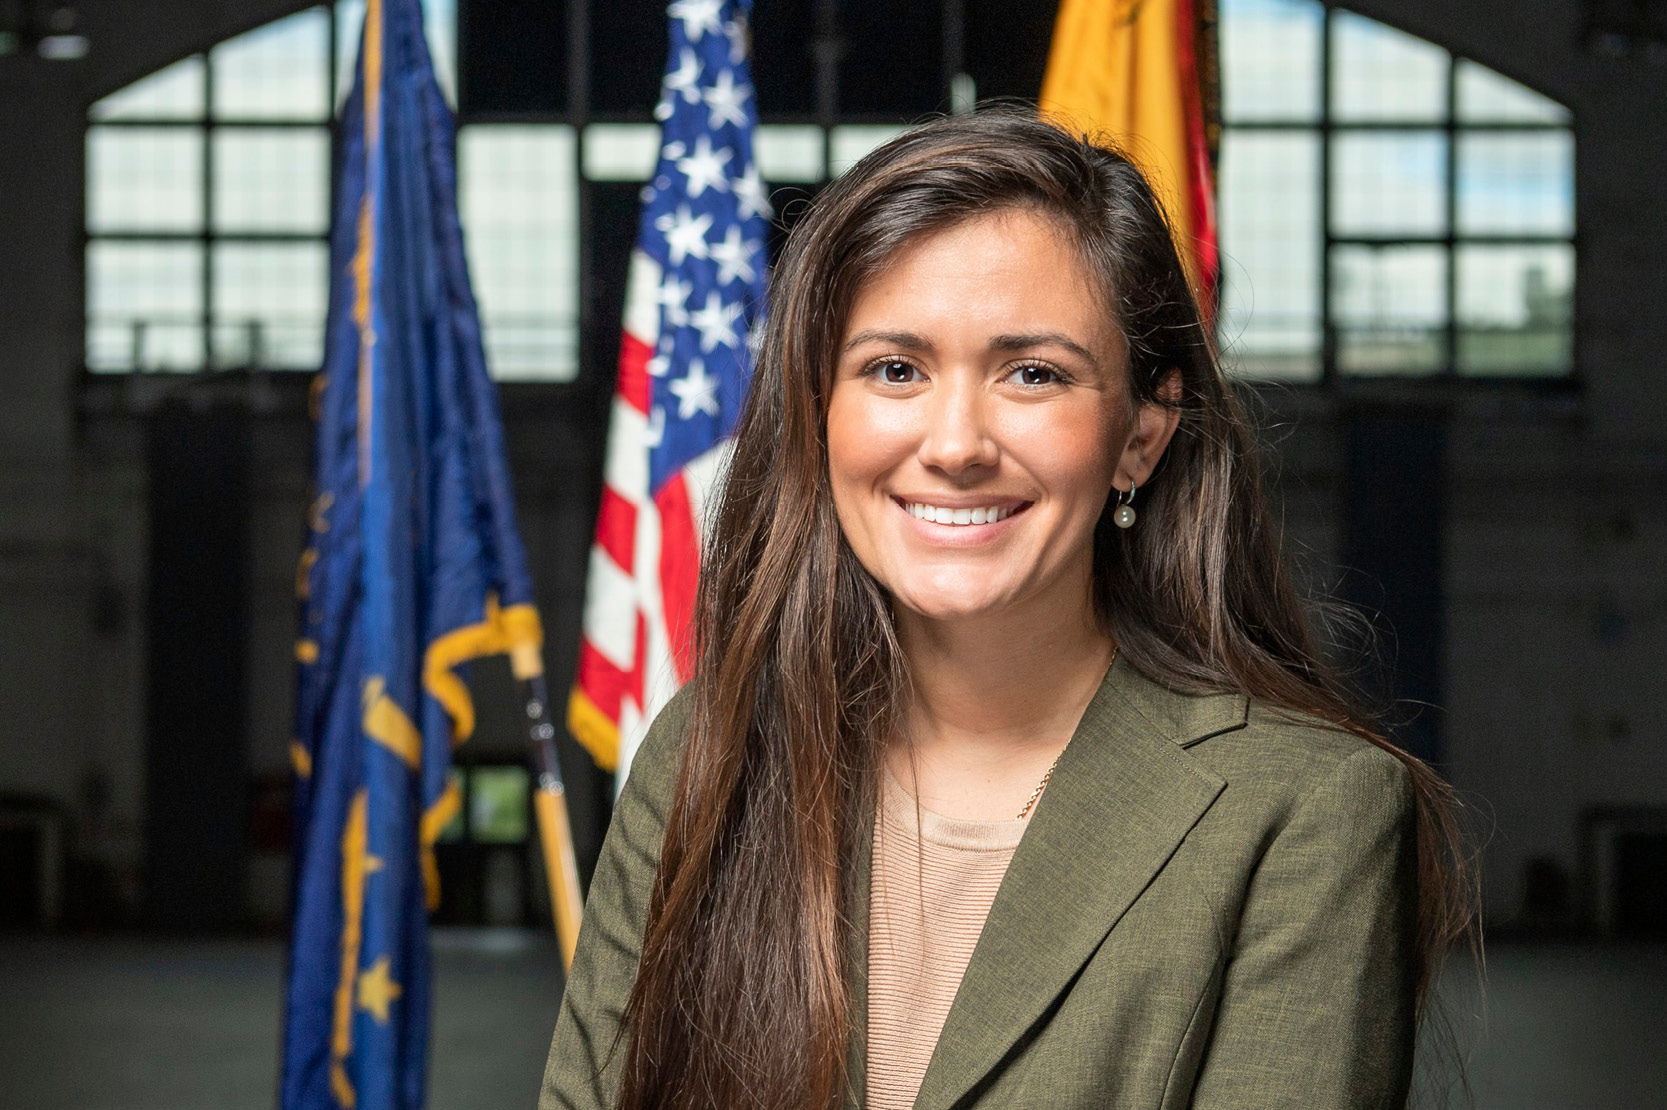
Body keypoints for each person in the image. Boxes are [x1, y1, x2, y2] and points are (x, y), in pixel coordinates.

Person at [539, 109, 1473, 1110]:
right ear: (820, 413)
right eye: (893, 369)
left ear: (1140, 436)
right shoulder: (705, 754)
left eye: (1032, 373)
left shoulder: (1303, 814)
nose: (955, 444)